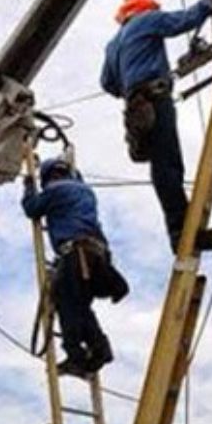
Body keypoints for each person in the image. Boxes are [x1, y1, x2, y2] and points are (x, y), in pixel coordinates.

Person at [100, 0, 212, 254]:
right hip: (155, 100)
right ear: (146, 5)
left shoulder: (113, 45)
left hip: (136, 107)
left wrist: (130, 84)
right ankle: (182, 232)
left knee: (161, 165)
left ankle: (180, 230)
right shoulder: (149, 20)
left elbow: (107, 83)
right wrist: (210, 1)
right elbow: (183, 21)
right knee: (169, 164)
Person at [21, 157, 128, 376]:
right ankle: (99, 348)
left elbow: (32, 208)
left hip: (77, 252)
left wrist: (29, 185)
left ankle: (76, 356)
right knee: (80, 306)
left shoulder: (55, 190)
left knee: (66, 302)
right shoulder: (85, 190)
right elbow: (76, 179)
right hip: (97, 255)